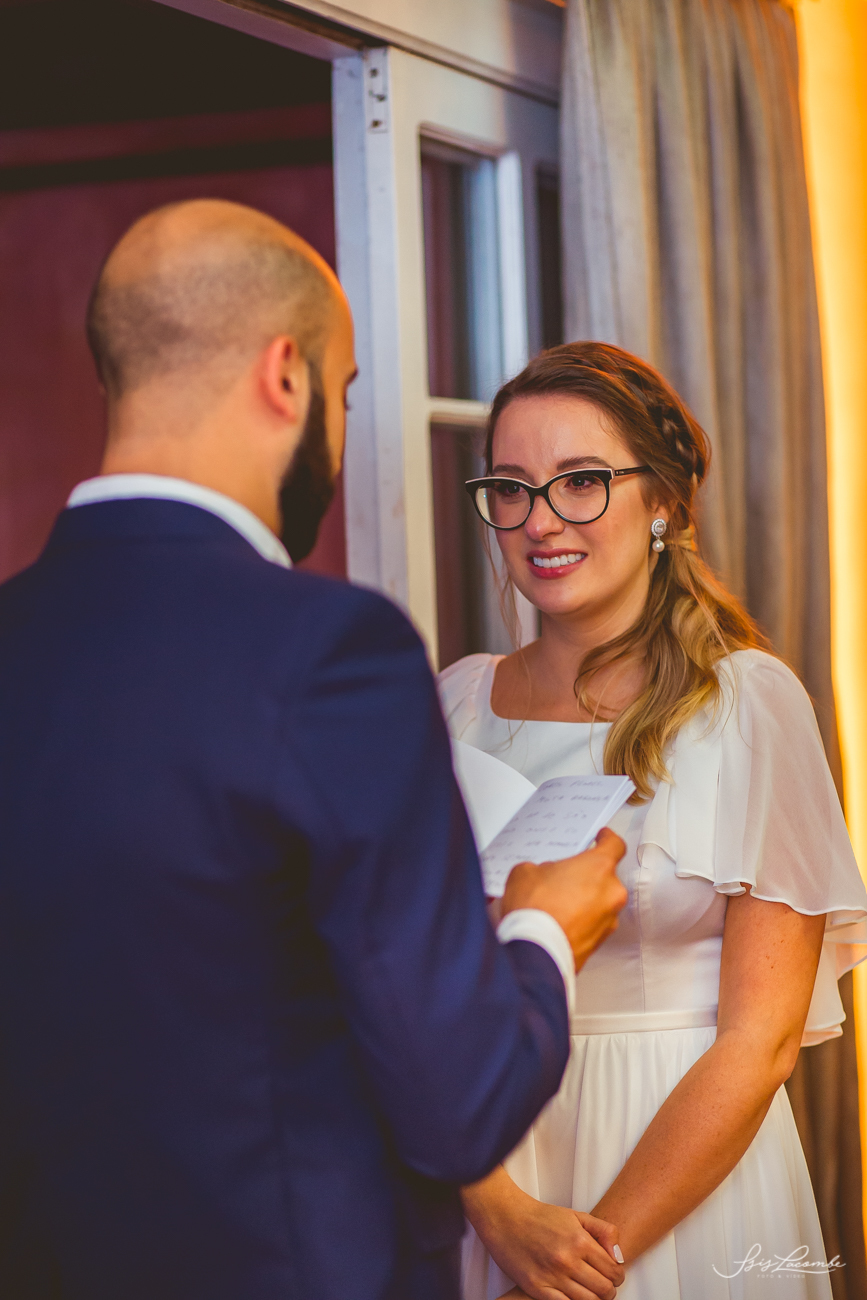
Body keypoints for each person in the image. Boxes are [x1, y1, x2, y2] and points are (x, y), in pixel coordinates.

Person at [0, 203, 628, 1300]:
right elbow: (462, 1102)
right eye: (342, 396)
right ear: (284, 376)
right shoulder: (334, 651)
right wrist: (543, 927)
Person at [439, 341, 867, 1300]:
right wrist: (496, 1212)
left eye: (579, 481)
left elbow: (759, 1042)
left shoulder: (747, 705)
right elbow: (404, 992)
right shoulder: (451, 706)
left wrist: (587, 1262)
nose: (538, 519)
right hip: (495, 1175)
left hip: (684, 1182)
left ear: (662, 501)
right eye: (509, 487)